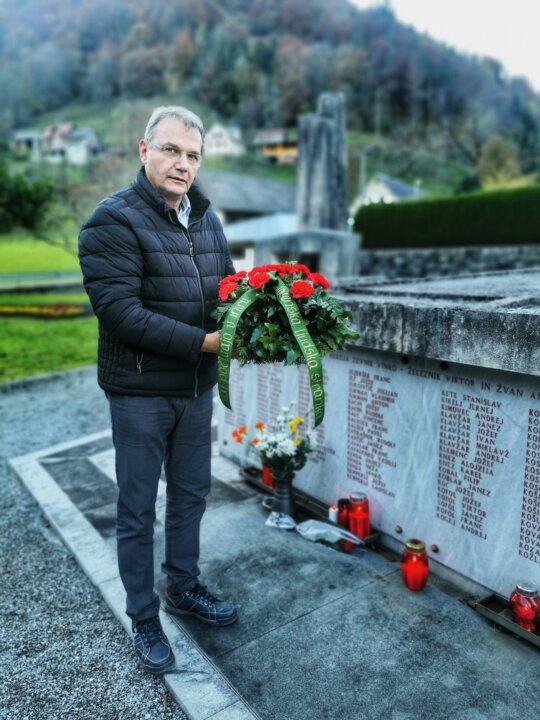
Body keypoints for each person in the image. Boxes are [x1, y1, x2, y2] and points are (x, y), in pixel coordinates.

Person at [79, 106, 237, 674]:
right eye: (171, 150)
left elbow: (228, 291)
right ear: (144, 151)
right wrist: (206, 343)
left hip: (195, 389)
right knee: (137, 508)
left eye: (193, 155)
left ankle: (183, 587)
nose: (183, 164)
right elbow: (121, 313)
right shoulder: (111, 220)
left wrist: (259, 317)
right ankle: (144, 616)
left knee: (191, 495)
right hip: (141, 391)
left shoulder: (206, 220)